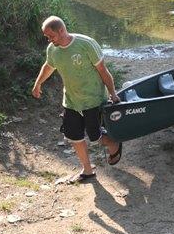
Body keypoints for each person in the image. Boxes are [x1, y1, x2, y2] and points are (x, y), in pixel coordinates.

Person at [32, 16, 122, 183]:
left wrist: (113, 93)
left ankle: (113, 143)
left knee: (95, 137)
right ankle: (87, 170)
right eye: (47, 37)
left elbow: (103, 71)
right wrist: (38, 84)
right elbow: (48, 66)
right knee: (74, 136)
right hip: (71, 100)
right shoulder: (52, 49)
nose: (49, 40)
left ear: (61, 30)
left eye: (51, 35)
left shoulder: (86, 44)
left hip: (93, 99)